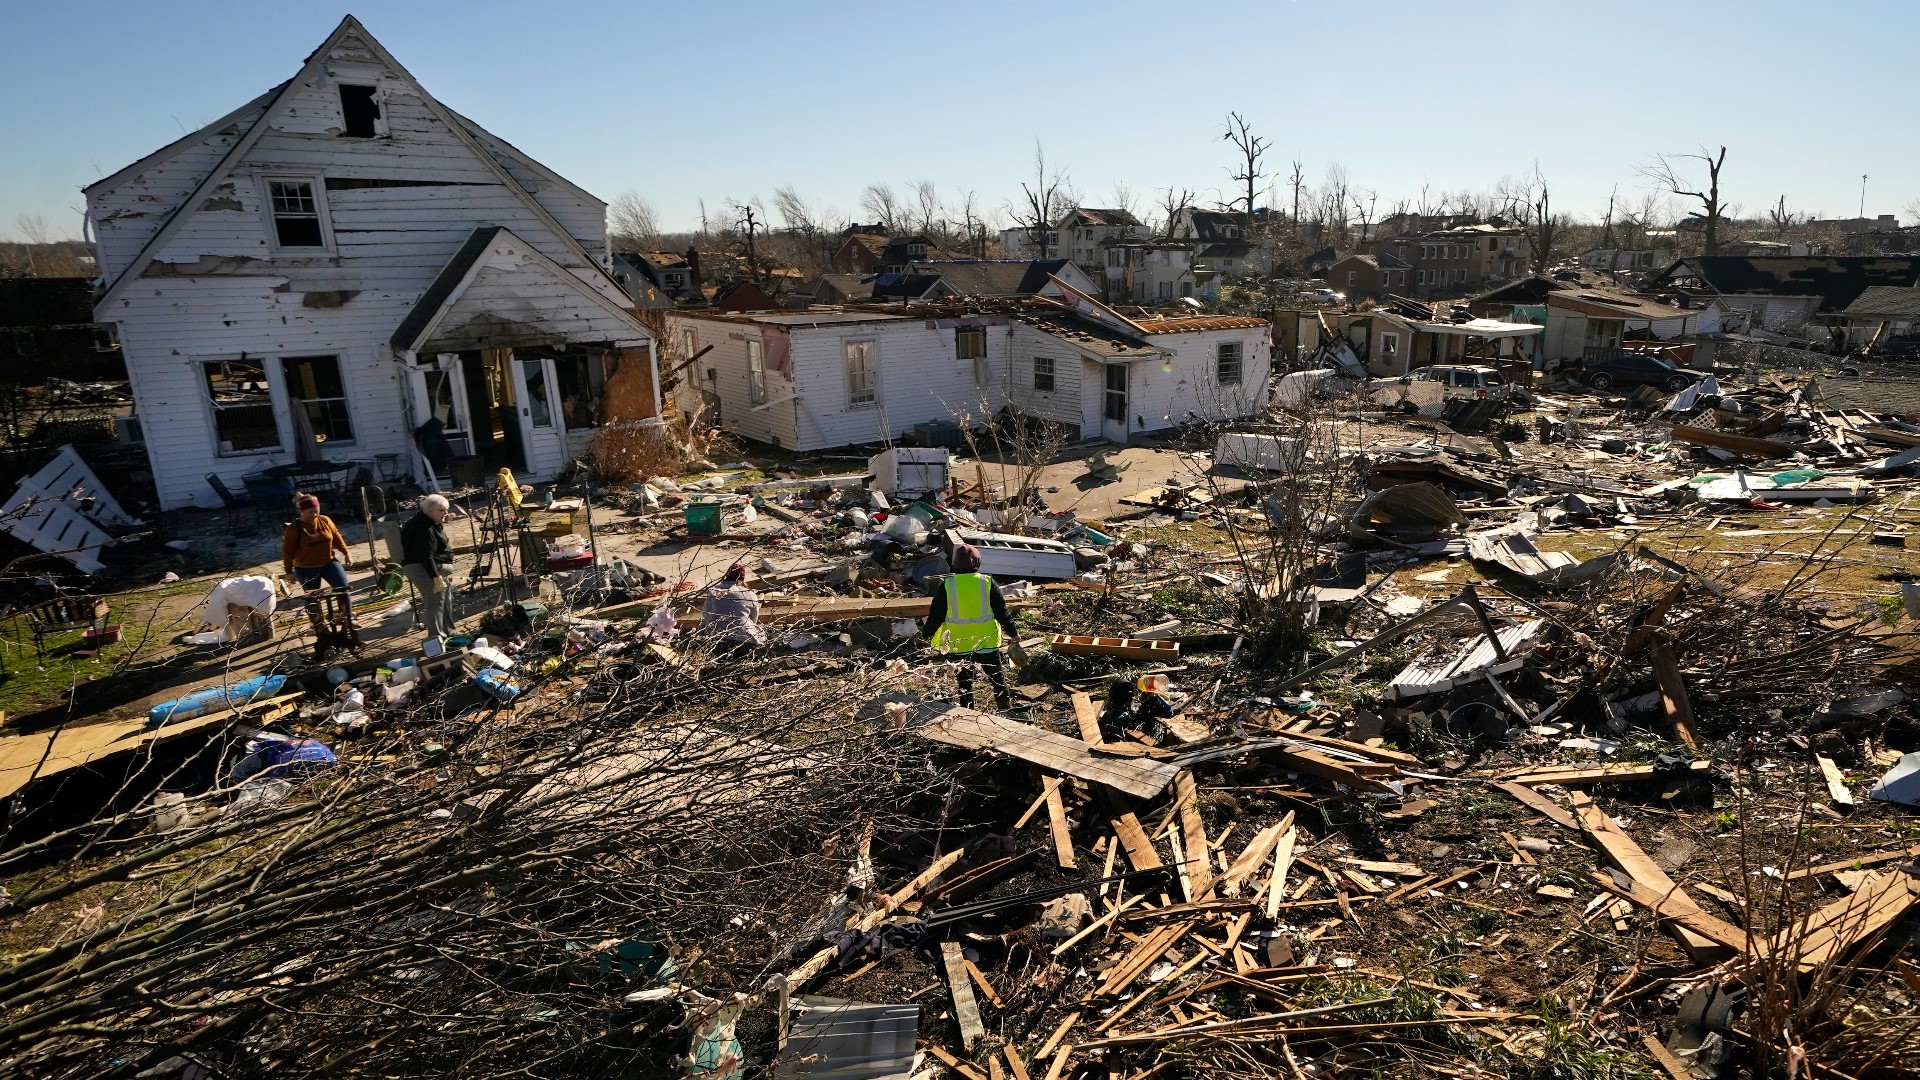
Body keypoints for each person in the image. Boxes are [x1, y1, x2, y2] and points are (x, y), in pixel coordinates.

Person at [924, 543, 1026, 711]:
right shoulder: (987, 582)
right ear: (977, 562)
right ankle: (1005, 709)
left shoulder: (947, 585)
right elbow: (1002, 612)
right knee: (997, 679)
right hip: (987, 642)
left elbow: (936, 615)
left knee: (964, 684)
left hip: (960, 644)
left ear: (955, 564)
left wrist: (926, 634)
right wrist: (1014, 633)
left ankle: (968, 713)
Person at [401, 493, 456, 655]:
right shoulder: (422, 528)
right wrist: (436, 577)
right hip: (423, 569)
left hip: (432, 567)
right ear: (431, 511)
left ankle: (449, 631)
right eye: (442, 510)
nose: (445, 513)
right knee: (434, 602)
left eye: (446, 510)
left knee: (446, 597)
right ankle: (436, 640)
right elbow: (426, 556)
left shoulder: (431, 522)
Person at [281, 493, 354, 612]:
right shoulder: (294, 528)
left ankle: (347, 618)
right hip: (306, 569)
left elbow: (336, 537)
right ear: (301, 511)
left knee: (343, 589)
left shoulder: (325, 520)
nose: (315, 514)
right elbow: (288, 552)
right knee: (312, 598)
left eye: (317, 511)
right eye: (310, 512)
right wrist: (288, 572)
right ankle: (318, 626)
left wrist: (346, 553)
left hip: (329, 563)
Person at [699, 563, 767, 649]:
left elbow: (705, 613)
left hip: (715, 639)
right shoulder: (749, 593)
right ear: (742, 578)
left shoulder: (714, 591)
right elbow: (754, 618)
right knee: (761, 633)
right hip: (743, 641)